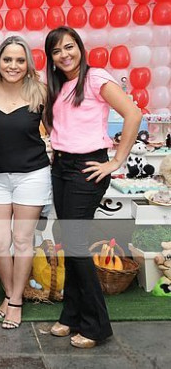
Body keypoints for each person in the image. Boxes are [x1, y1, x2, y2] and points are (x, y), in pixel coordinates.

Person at [44, 26, 142, 348]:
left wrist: (117, 161)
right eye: (57, 51)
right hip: (61, 167)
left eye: (69, 47)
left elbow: (133, 114)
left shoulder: (96, 78)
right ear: (51, 58)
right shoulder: (58, 85)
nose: (64, 55)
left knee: (74, 243)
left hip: (87, 168)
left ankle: (97, 325)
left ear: (79, 48)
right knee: (69, 240)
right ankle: (70, 315)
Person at [0, 36, 51, 330]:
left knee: (22, 241)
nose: (13, 65)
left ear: (28, 64)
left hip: (32, 176)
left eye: (20, 60)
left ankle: (14, 302)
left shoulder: (40, 92)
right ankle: (12, 294)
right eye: (7, 59)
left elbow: (57, 131)